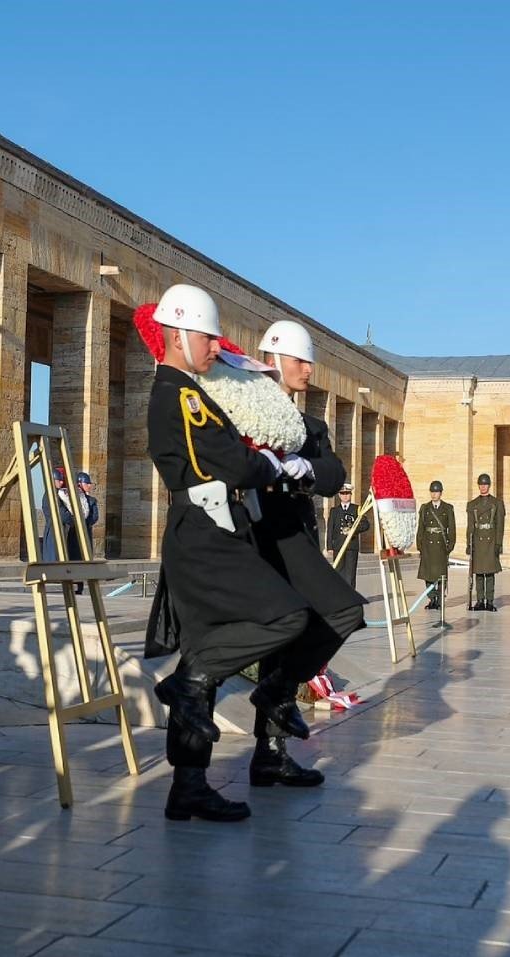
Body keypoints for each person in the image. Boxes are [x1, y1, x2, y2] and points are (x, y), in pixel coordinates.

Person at [141, 284, 324, 822]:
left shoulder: (193, 389)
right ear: (177, 335)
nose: (214, 347)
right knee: (284, 618)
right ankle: (187, 683)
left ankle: (188, 784)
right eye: (205, 337)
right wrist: (270, 466)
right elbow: (231, 462)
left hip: (214, 527)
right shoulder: (179, 394)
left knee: (207, 652)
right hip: (202, 534)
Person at [245, 319, 367, 787]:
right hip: (258, 543)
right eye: (300, 360)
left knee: (337, 616)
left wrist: (304, 467)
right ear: (274, 359)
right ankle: (202, 771)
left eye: (310, 360)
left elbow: (334, 474)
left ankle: (271, 741)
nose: (309, 370)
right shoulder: (244, 417)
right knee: (265, 644)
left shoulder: (310, 428)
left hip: (298, 543)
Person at [465, 472, 504, 611]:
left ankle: (490, 600)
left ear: (489, 486)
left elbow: (500, 525)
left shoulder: (497, 503)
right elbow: (470, 526)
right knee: (479, 572)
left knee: (490, 572)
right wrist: (469, 544)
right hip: (478, 540)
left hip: (491, 540)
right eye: (481, 485)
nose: (483, 487)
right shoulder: (473, 504)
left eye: (485, 484)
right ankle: (480, 600)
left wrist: (499, 543)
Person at [417, 480, 456, 610]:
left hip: (440, 546)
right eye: (432, 492)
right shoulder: (425, 508)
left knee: (441, 575)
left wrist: (450, 546)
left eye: (436, 492)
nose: (434, 495)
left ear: (441, 493)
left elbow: (452, 528)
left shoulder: (448, 508)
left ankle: (439, 599)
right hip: (428, 545)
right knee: (428, 575)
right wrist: (420, 545)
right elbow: (421, 528)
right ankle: (432, 598)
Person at [325, 483, 368, 588]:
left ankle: (351, 597)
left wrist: (353, 530)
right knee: (338, 573)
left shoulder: (357, 509)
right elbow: (330, 529)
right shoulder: (334, 511)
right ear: (339, 495)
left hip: (351, 546)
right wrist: (329, 546)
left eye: (347, 493)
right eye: (343, 493)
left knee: (350, 574)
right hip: (338, 546)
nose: (345, 496)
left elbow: (366, 525)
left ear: (351, 494)